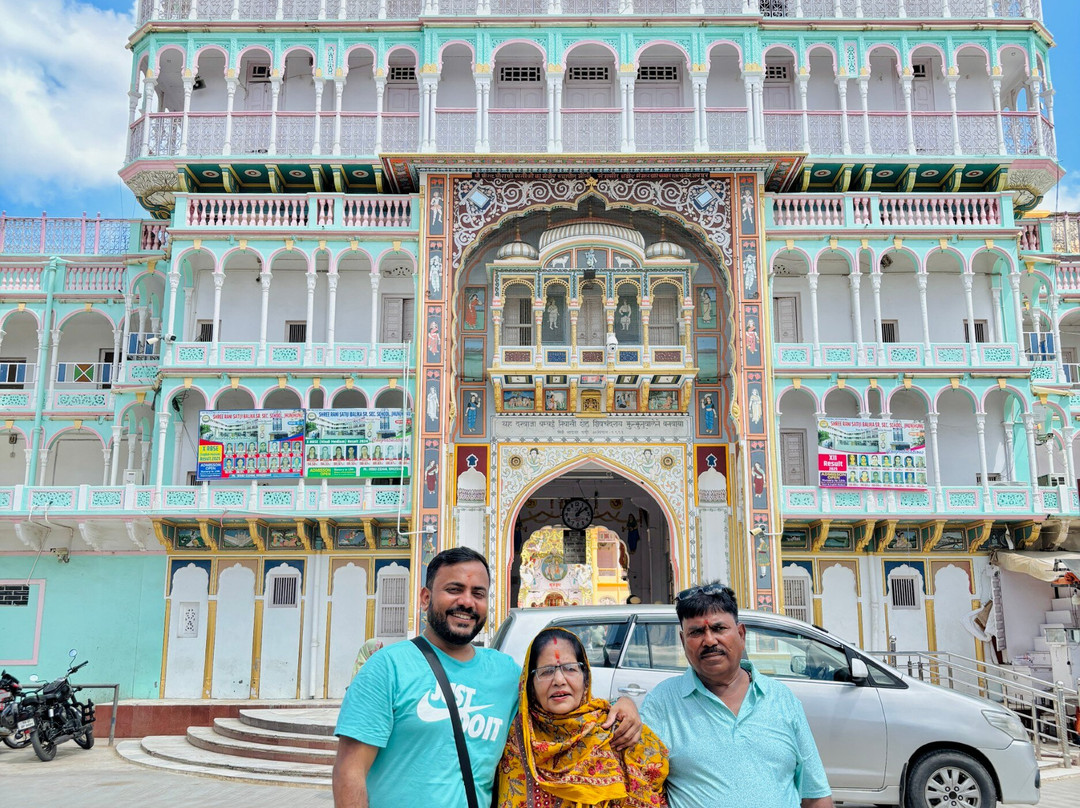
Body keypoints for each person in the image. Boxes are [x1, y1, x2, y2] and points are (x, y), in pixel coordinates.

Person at [333, 547, 642, 808]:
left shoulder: (505, 672)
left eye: (477, 593)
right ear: (426, 598)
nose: (467, 602)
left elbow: (565, 700)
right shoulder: (388, 667)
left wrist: (625, 704)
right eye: (454, 589)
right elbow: (350, 771)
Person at [641, 583, 832, 808]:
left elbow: (816, 796)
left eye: (719, 628)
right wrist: (621, 704)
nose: (710, 641)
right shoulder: (663, 702)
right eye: (696, 632)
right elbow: (630, 771)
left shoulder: (781, 699)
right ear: (683, 641)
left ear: (740, 634)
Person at [494, 627, 669, 808]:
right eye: (546, 672)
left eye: (570, 668)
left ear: (585, 677)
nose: (559, 680)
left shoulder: (619, 731)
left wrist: (626, 702)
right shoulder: (510, 736)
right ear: (530, 684)